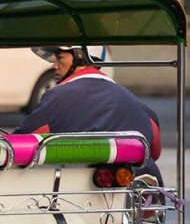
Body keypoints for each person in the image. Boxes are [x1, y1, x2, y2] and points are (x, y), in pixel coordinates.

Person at [15, 45, 162, 182]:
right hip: (142, 195)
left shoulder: (57, 97)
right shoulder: (133, 100)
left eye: (60, 58)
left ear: (80, 57)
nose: (54, 65)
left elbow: (22, 142)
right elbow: (155, 151)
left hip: (81, 195)